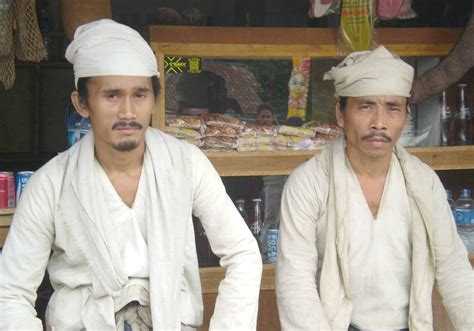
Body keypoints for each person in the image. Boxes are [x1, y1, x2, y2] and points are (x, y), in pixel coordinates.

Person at [0, 19, 262, 330]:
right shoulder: (50, 184)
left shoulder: (186, 164)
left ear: (154, 100)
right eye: (112, 96)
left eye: (140, 95)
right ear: (81, 103)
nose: (127, 111)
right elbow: (11, 293)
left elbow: (243, 254)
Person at [276, 45, 474, 330]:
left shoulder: (422, 182)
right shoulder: (309, 183)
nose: (379, 123)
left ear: (405, 116)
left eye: (392, 108)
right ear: (341, 114)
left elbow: (455, 272)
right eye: (365, 106)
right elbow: (295, 282)